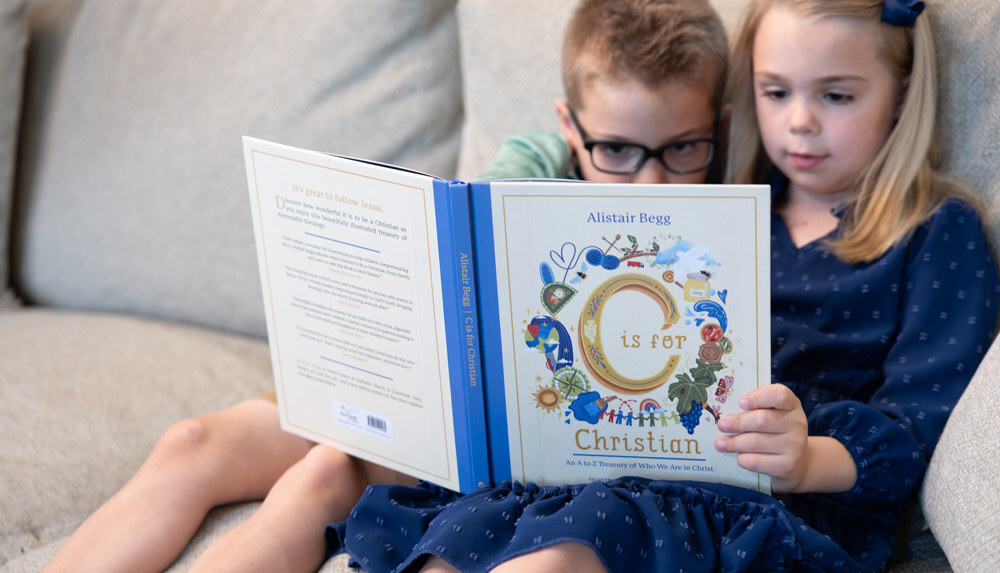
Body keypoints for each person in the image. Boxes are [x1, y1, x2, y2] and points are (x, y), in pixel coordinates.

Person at [42, 1, 728, 572]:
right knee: (190, 440)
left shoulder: (728, 218)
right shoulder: (533, 163)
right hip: (406, 390)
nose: (651, 183)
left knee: (317, 478)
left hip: (511, 446)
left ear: (716, 132)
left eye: (682, 150)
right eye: (615, 151)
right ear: (568, 125)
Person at [327, 0, 1000, 571]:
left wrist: (808, 460)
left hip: (774, 500)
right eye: (775, 91)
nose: (800, 121)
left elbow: (918, 427)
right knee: (456, 543)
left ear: (903, 95)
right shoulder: (721, 202)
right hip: (627, 464)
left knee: (565, 550)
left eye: (836, 94)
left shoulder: (937, 231)